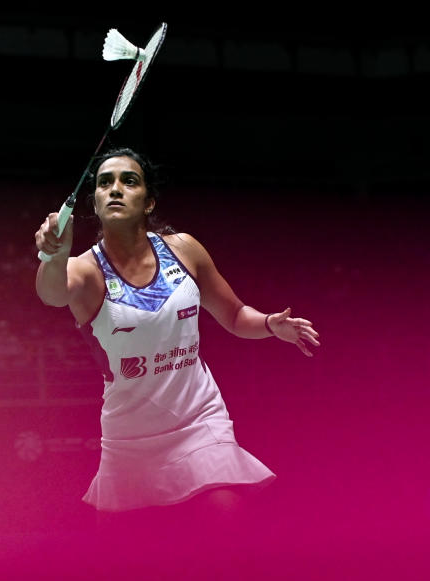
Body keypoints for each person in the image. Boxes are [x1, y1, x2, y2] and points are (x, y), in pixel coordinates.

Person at [33, 147, 320, 528]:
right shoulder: (84, 269)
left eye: (128, 181)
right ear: (96, 204)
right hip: (130, 438)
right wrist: (54, 255)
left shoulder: (184, 249)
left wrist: (269, 323)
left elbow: (234, 314)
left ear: (148, 200)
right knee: (123, 565)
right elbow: (51, 294)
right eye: (105, 183)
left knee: (227, 516)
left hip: (198, 420)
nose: (115, 189)